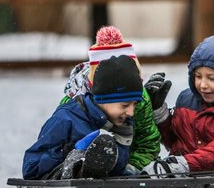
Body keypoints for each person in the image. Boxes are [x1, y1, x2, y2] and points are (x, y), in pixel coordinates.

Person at [23, 55, 143, 180]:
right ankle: (77, 169)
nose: (131, 112)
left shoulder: (122, 126)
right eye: (125, 105)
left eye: (134, 104)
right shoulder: (66, 119)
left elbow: (115, 171)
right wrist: (68, 151)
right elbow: (32, 169)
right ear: (103, 99)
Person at [61, 25, 160, 174]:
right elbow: (53, 147)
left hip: (125, 168)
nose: (131, 111)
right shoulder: (72, 104)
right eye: (125, 104)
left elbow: (148, 142)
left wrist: (131, 168)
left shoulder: (140, 101)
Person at [141, 35, 214, 175]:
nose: (202, 85)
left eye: (211, 78)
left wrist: (179, 166)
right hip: (180, 182)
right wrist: (158, 113)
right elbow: (174, 139)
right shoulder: (186, 101)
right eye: (198, 76)